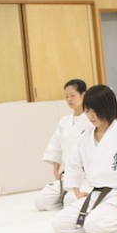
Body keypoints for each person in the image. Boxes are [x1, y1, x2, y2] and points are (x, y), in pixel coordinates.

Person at [52, 84, 117, 233]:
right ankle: (95, 221)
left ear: (107, 109)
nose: (91, 116)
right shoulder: (85, 138)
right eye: (88, 111)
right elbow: (73, 163)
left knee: (94, 225)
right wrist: (77, 191)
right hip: (95, 195)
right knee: (59, 224)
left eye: (96, 111)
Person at [34, 79, 90, 211]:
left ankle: (72, 198)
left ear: (83, 95)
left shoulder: (90, 120)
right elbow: (56, 146)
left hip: (85, 176)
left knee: (70, 201)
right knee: (40, 201)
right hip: (67, 175)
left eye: (72, 95)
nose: (69, 99)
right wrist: (56, 169)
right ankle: (64, 198)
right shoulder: (65, 121)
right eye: (66, 96)